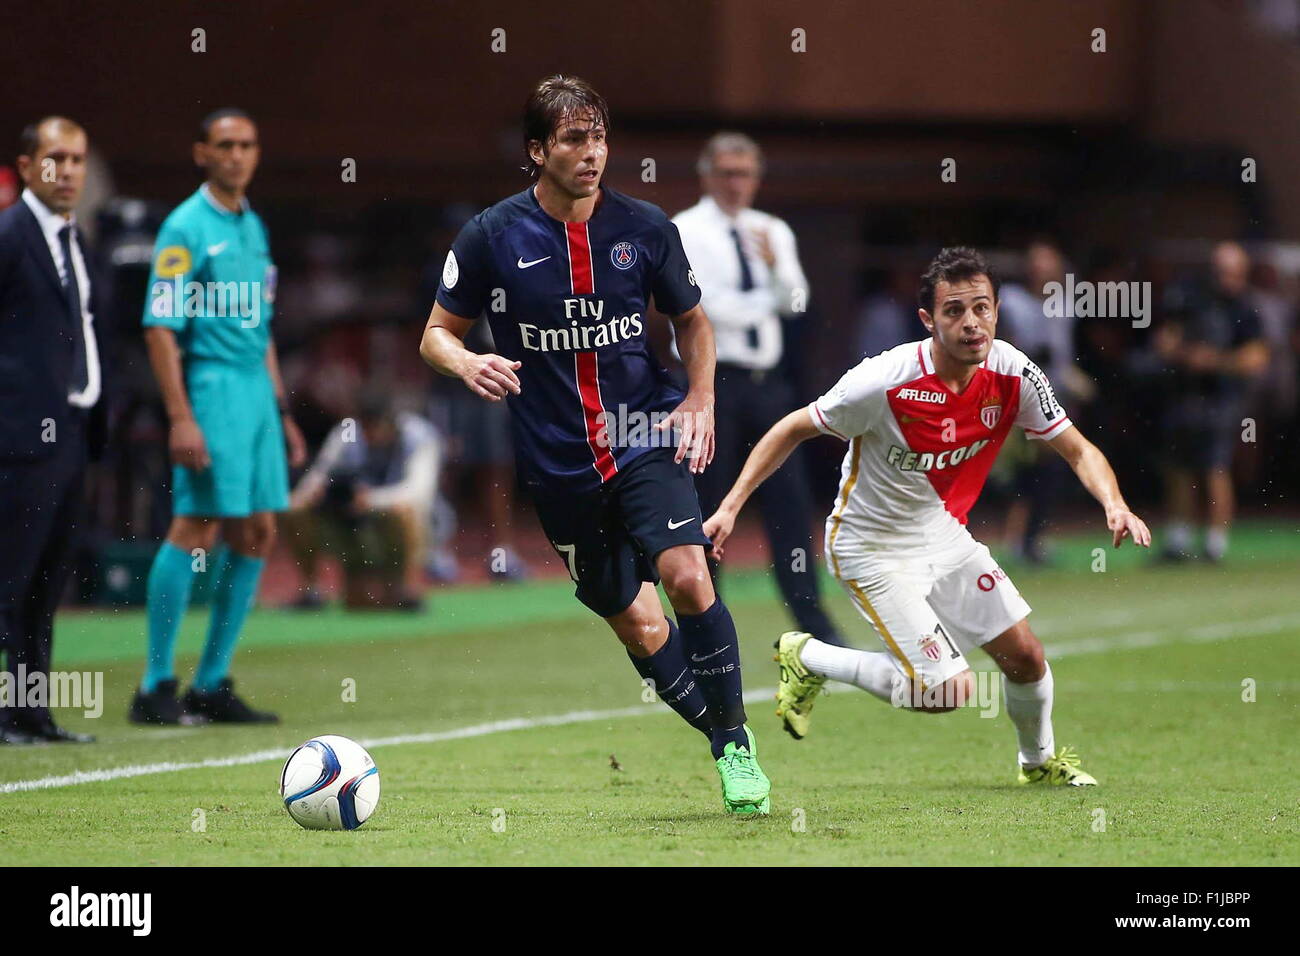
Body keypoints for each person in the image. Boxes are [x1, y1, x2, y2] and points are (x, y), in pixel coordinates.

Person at [419, 75, 771, 815]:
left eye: (600, 136)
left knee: (686, 577)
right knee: (642, 626)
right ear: (538, 150)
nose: (592, 153)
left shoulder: (644, 229)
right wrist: (467, 360)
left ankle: (737, 748)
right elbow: (436, 335)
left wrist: (702, 398)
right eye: (574, 139)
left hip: (645, 430)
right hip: (556, 464)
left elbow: (694, 323)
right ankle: (720, 731)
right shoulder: (491, 236)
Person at [705, 247, 1152, 786]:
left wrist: (1114, 502)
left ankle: (1037, 764)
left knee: (1027, 657)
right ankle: (812, 656)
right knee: (947, 692)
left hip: (943, 536)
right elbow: (791, 428)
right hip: (870, 547)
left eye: (982, 308)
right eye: (955, 311)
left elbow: (1078, 449)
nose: (971, 324)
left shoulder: (1013, 372)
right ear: (928, 320)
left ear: (997, 310)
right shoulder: (884, 380)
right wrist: (731, 505)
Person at [129, 108, 307, 726]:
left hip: (255, 394)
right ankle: (154, 686)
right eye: (225, 145)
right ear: (201, 152)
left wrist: (282, 412)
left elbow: (262, 330)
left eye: (247, 145)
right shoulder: (183, 227)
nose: (237, 155)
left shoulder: (252, 225)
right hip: (209, 389)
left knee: (257, 530)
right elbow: (158, 327)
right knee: (197, 526)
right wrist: (181, 416)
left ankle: (210, 684)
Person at [673, 132, 843, 646]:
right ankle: (707, 631)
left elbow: (795, 300)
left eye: (744, 173)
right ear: (707, 174)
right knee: (706, 507)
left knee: (790, 503)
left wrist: (772, 271)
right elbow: (702, 308)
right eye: (725, 172)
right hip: (712, 386)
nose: (735, 184)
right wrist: (765, 298)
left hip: (769, 387)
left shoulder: (771, 230)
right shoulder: (684, 229)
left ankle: (816, 627)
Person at [0, 117, 105, 744]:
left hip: (69, 432)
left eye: (77, 160)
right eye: (55, 159)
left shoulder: (73, 239)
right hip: (17, 435)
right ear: (26, 165)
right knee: (9, 579)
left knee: (45, 582)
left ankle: (33, 712)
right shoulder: (10, 235)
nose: (67, 171)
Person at [1156, 241, 1269, 562]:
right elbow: (1165, 340)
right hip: (1184, 395)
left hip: (1222, 399)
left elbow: (1257, 357)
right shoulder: (1191, 300)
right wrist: (1184, 355)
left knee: (1214, 467)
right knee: (1178, 466)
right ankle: (1178, 538)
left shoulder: (1246, 308)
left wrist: (1214, 361)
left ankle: (1215, 542)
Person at [286, 388, 439, 610]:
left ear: (391, 422)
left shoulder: (419, 435)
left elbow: (419, 493)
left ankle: (408, 589)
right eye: (365, 426)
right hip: (352, 521)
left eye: (375, 427)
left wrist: (370, 500)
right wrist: (312, 494)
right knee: (295, 509)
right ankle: (312, 589)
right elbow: (317, 476)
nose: (369, 435)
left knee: (403, 510)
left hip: (411, 524)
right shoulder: (348, 433)